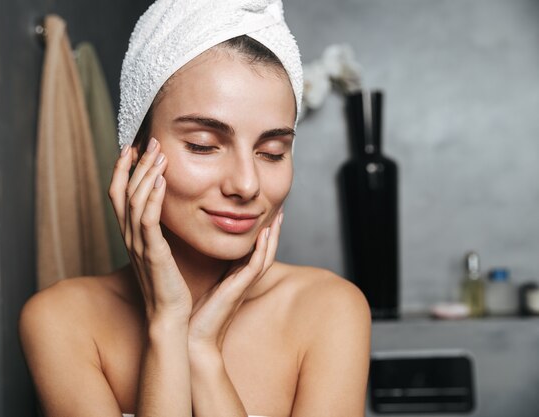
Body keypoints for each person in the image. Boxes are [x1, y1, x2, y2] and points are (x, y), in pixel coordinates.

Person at [19, 1, 371, 416]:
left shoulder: (329, 310)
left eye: (272, 152)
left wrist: (202, 353)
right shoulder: (62, 322)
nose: (246, 184)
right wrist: (167, 323)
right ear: (134, 152)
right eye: (203, 145)